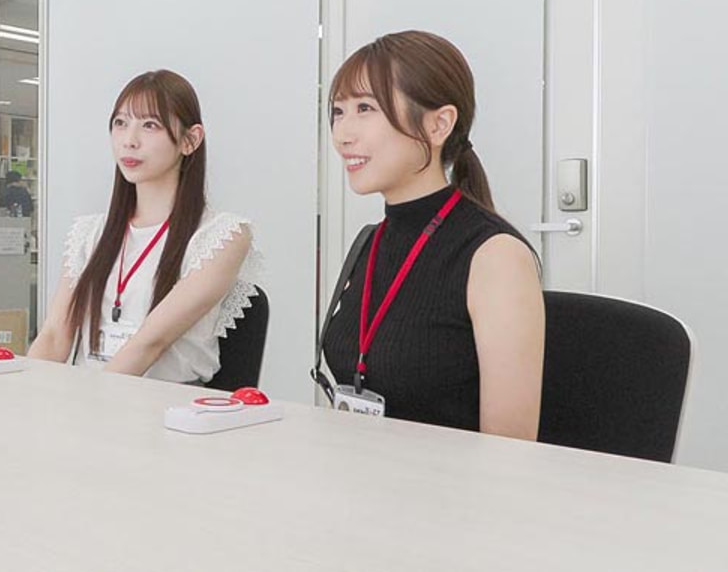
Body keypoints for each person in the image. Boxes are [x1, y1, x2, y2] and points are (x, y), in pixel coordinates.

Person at [318, 30, 544, 440]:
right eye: (338, 111)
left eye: (365, 108)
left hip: (448, 481)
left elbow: (509, 448)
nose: (342, 134)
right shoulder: (370, 243)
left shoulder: (495, 256)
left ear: (439, 124)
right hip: (362, 469)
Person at [27, 70, 262, 384]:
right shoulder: (89, 234)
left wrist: (88, 402)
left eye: (150, 125)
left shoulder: (222, 236)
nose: (129, 140)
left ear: (190, 140)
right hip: (86, 398)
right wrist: (24, 392)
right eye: (120, 123)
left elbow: (150, 343)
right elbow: (55, 335)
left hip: (161, 405)